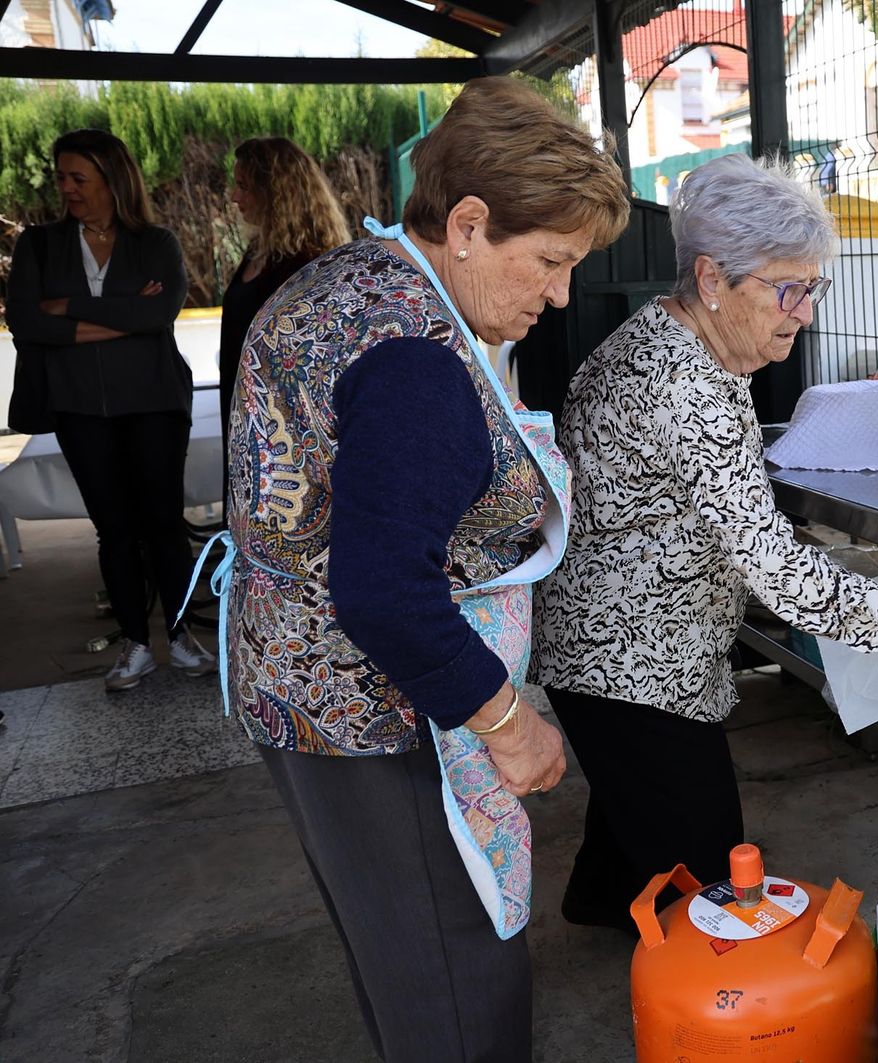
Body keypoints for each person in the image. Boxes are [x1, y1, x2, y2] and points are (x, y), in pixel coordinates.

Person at [219, 78, 629, 1062]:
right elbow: (383, 589)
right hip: (378, 725)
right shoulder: (415, 357)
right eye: (550, 261)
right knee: (457, 986)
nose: (561, 293)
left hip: (293, 692)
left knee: (404, 970)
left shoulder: (359, 276)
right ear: (469, 224)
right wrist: (508, 721)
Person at [533, 153, 878, 931]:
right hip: (629, 668)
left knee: (637, 817)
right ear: (713, 280)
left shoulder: (664, 336)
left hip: (606, 643)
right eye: (786, 290)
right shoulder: (688, 383)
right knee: (714, 885)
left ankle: (605, 899)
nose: (804, 312)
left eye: (810, 288)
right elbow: (780, 575)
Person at [4, 129, 216, 691]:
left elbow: (159, 315)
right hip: (79, 409)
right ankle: (136, 645)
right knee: (114, 531)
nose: (67, 189)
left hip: (153, 402)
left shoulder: (157, 242)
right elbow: (26, 322)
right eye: (62, 178)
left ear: (112, 180)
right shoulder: (39, 246)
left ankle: (182, 638)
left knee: (164, 525)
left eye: (79, 178)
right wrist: (121, 315)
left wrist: (68, 311)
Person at [218, 136, 348, 490]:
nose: (234, 196)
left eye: (244, 186)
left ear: (276, 192)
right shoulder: (259, 251)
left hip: (283, 434)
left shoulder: (306, 263)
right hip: (245, 418)